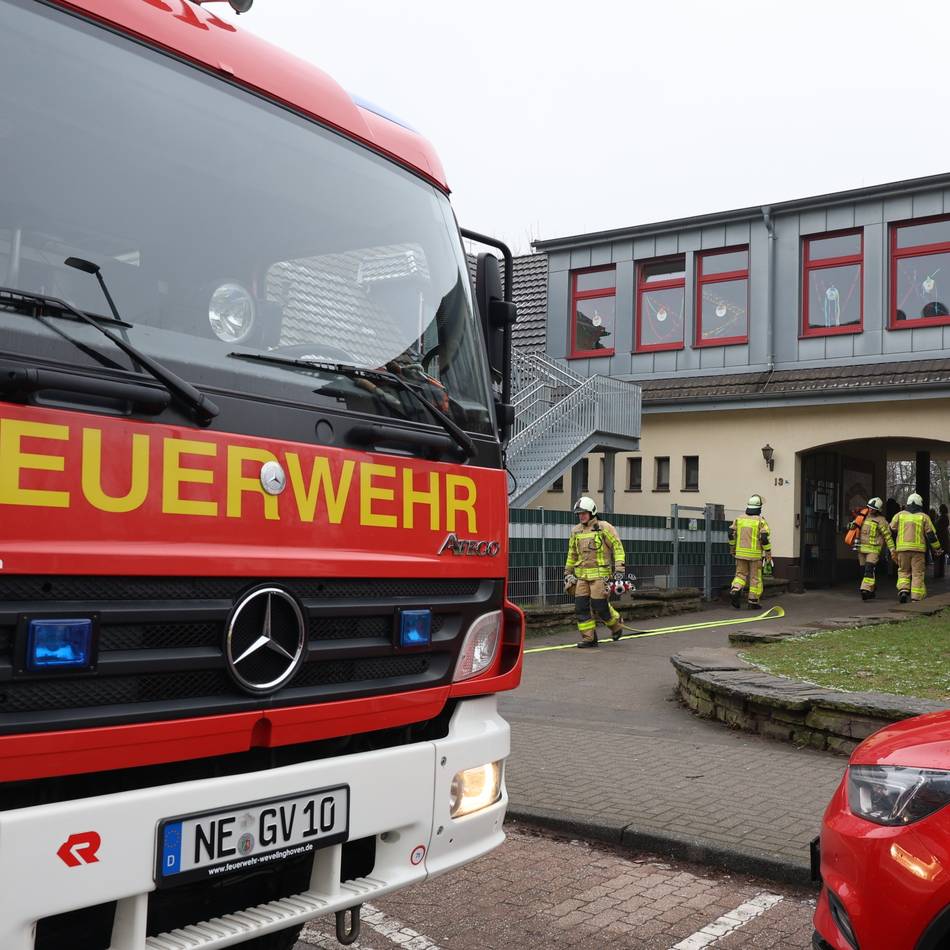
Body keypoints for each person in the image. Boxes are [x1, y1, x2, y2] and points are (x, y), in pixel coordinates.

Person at [563, 496, 626, 648]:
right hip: (581, 576)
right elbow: (572, 553)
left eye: (584, 513)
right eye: (579, 514)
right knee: (581, 607)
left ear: (592, 512)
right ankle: (589, 638)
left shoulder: (604, 527)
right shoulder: (576, 531)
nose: (581, 516)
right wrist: (567, 572)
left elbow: (617, 547)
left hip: (600, 575)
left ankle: (616, 625)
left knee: (600, 606)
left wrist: (619, 568)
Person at [890, 492, 944, 603]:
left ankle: (904, 590)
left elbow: (891, 528)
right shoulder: (924, 517)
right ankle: (915, 598)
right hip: (918, 551)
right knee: (917, 573)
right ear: (920, 504)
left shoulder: (899, 515)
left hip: (902, 550)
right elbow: (931, 536)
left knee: (903, 571)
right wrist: (937, 548)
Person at [729, 494, 772, 609]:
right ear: (759, 508)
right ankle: (753, 602)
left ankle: (735, 589)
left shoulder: (739, 519)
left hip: (740, 553)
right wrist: (768, 553)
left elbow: (730, 535)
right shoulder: (760, 521)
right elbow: (764, 538)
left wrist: (732, 549)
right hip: (755, 555)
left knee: (740, 575)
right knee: (755, 578)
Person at [850, 496, 895, 600]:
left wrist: (892, 549)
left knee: (869, 570)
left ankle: (865, 590)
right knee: (863, 571)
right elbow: (854, 526)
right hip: (861, 549)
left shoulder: (881, 520)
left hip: (873, 550)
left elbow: (887, 536)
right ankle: (872, 589)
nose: (871, 510)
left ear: (878, 510)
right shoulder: (863, 516)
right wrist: (851, 526)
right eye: (869, 507)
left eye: (873, 508)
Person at [936, 504, 950, 579]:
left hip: (941, 539)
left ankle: (939, 573)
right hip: (945, 539)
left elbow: (937, 527)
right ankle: (941, 572)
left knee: (940, 556)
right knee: (942, 556)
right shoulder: (945, 518)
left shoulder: (942, 518)